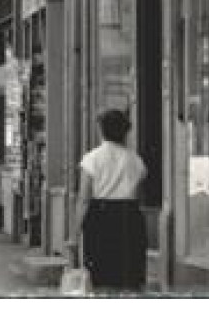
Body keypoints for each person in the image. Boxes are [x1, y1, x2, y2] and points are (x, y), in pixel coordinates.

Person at [68, 108, 149, 293]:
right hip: (130, 219)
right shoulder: (136, 161)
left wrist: (74, 235)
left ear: (101, 130)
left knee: (100, 278)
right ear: (125, 131)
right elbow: (139, 195)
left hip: (100, 219)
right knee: (129, 279)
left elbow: (83, 199)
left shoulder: (92, 159)